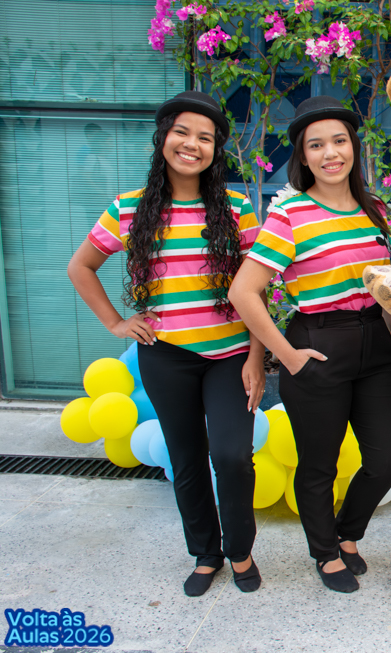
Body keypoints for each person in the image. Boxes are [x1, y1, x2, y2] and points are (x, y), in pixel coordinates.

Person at [67, 90, 265, 597]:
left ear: (215, 150)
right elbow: (81, 266)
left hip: (229, 357)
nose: (192, 144)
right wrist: (117, 323)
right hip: (166, 356)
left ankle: (240, 550)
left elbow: (259, 289)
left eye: (205, 138)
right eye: (182, 132)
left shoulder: (238, 209)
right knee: (186, 458)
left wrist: (256, 356)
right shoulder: (128, 209)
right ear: (163, 138)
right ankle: (206, 553)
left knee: (232, 456)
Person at [229, 96, 391, 594]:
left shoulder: (376, 210)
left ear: (353, 147)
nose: (330, 153)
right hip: (318, 345)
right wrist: (286, 357)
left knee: (388, 459)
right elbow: (243, 292)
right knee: (319, 466)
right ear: (303, 157)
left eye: (339, 141)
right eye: (316, 145)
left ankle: (347, 534)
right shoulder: (290, 214)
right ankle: (325, 553)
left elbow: (382, 275)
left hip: (375, 348)